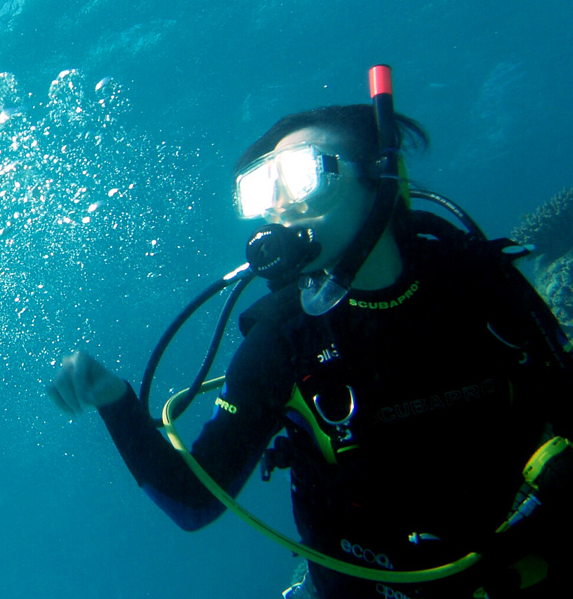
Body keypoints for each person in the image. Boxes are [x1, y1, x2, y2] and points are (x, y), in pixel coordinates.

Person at [49, 98, 573, 598]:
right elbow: (193, 501)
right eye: (263, 189)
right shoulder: (282, 340)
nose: (280, 205)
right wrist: (115, 401)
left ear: (379, 178)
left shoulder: (481, 286)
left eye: (302, 176)